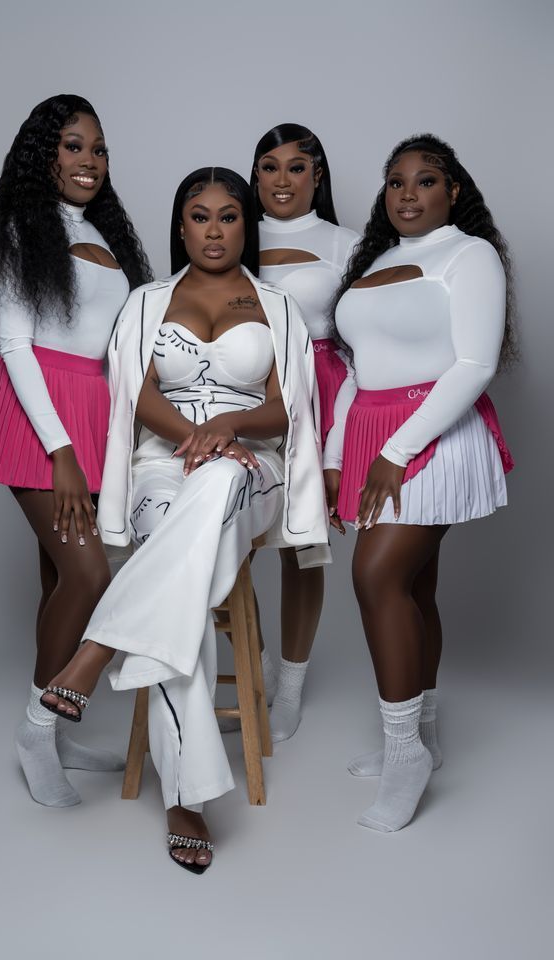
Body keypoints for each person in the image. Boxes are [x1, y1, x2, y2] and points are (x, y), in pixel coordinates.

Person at [39, 167, 328, 872]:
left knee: (223, 478)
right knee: (185, 574)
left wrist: (227, 426)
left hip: (249, 468)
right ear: (181, 225)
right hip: (161, 465)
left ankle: (97, 648)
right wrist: (188, 437)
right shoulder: (146, 302)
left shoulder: (276, 305)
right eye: (200, 217)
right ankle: (185, 799)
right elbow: (134, 392)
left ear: (244, 225)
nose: (215, 230)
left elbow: (287, 404)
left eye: (229, 217)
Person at [0, 94, 152, 807]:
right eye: (74, 146)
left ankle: (53, 730)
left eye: (99, 149)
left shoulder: (110, 236)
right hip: (38, 412)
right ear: (45, 154)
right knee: (89, 573)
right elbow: (17, 344)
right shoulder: (22, 228)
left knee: (57, 581)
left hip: (95, 411)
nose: (89, 161)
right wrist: (63, 451)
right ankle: (37, 731)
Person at [324, 133, 516, 832]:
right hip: (373, 434)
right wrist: (336, 455)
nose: (408, 193)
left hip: (431, 432)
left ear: (453, 192)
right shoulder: (375, 260)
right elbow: (356, 367)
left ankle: (404, 753)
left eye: (425, 180)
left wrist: (397, 451)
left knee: (378, 579)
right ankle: (423, 738)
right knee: (413, 586)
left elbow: (474, 364)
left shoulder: (470, 256)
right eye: (396, 181)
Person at [249, 122, 358, 741]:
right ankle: (257, 662)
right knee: (229, 532)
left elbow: (361, 339)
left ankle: (289, 684)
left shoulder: (347, 243)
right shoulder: (234, 229)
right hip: (243, 391)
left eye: (297, 166)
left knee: (301, 542)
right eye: (269, 166)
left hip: (318, 393)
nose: (282, 179)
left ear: (317, 175)